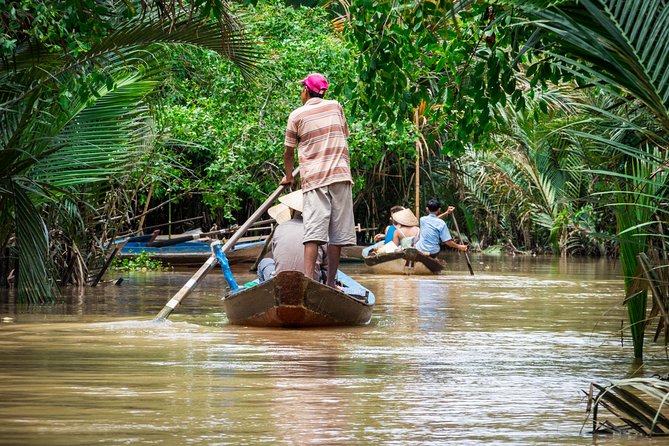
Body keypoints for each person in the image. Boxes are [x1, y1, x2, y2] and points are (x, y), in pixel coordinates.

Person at [280, 73, 356, 289]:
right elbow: (342, 134)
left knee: (313, 232)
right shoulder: (335, 106)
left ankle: (308, 282)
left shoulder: (296, 115)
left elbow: (288, 153)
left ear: (305, 91)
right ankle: (331, 282)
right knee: (337, 233)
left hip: (315, 178)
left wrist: (288, 177)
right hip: (341, 175)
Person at [257, 190, 328, 282]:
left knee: (265, 262)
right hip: (311, 282)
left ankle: (268, 294)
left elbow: (277, 258)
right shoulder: (319, 229)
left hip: (281, 281)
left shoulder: (280, 228)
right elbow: (327, 268)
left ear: (292, 211)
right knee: (331, 271)